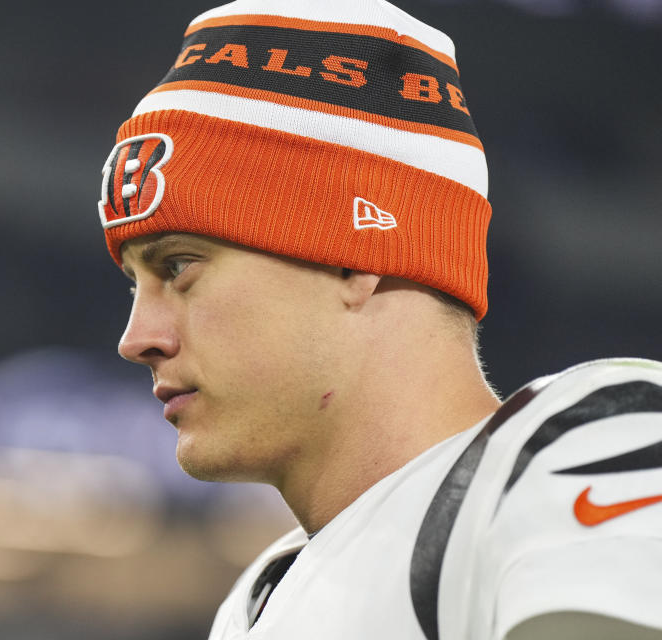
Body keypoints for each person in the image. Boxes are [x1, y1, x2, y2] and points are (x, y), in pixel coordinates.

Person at [95, 1, 662, 638]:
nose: (136, 339)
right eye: (136, 285)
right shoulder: (258, 599)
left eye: (178, 267)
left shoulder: (590, 444)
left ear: (355, 254)